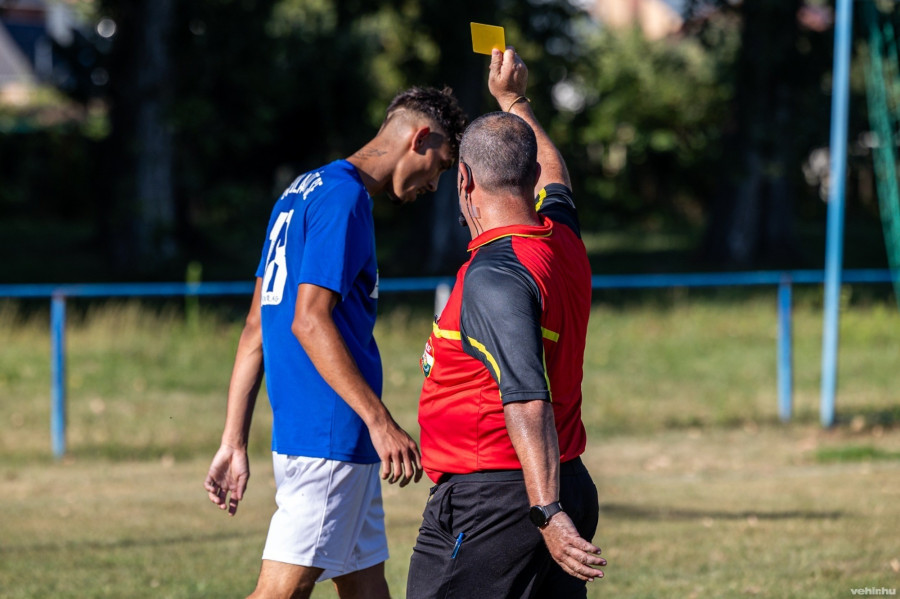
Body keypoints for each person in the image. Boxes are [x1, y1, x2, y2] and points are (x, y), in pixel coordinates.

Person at [204, 86, 467, 599]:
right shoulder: (346, 199)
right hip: (331, 439)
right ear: (420, 138)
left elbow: (258, 324)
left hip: (319, 437)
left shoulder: (300, 191)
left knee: (366, 588)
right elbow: (308, 320)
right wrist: (380, 421)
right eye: (440, 165)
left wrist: (233, 441)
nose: (435, 184)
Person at [406, 48, 606, 598]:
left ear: (463, 180)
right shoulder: (560, 238)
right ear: (532, 176)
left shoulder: (495, 272)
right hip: (555, 475)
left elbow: (525, 395)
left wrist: (545, 512)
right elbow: (558, 175)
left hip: (502, 494)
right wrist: (514, 100)